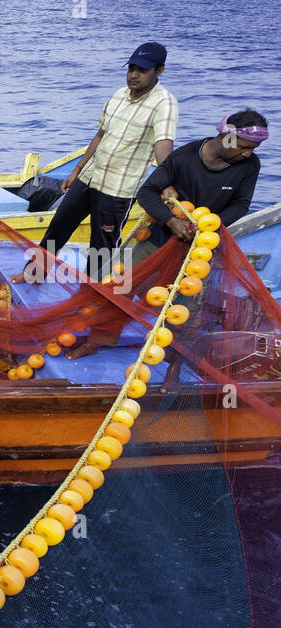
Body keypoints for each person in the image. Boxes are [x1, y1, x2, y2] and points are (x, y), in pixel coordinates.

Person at [15, 42, 177, 284]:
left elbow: (163, 145)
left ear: (159, 70)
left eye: (142, 70)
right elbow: (101, 135)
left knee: (101, 246)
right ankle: (35, 273)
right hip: (89, 177)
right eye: (131, 68)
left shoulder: (165, 103)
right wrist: (78, 169)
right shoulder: (119, 95)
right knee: (57, 227)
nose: (133, 75)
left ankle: (91, 295)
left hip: (118, 189)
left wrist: (167, 182)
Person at [136, 110, 267, 387]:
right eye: (244, 147)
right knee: (123, 285)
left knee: (189, 310)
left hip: (201, 246)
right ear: (226, 136)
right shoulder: (185, 156)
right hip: (160, 237)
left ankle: (174, 367)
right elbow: (147, 192)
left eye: (253, 149)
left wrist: (211, 224)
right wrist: (171, 221)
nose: (248, 154)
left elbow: (241, 204)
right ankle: (100, 339)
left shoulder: (249, 166)